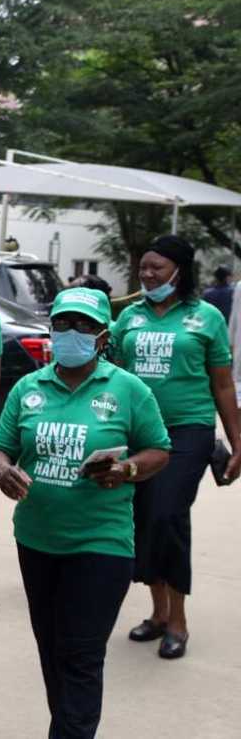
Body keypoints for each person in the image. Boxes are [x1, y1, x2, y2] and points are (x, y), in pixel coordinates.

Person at [0, 286, 171, 739]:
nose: (72, 332)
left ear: (103, 337)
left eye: (84, 325)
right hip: (36, 538)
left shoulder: (128, 390)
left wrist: (126, 469)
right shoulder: (29, 388)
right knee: (52, 649)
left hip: (101, 542)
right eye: (64, 323)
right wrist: (3, 471)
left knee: (81, 653)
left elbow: (159, 450)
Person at [110, 235, 241, 658]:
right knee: (145, 519)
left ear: (179, 271)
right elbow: (111, 372)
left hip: (188, 431)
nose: (147, 275)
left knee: (169, 515)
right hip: (139, 433)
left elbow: (222, 383)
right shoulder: (129, 317)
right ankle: (158, 612)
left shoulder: (206, 318)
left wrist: (238, 442)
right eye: (143, 267)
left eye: (157, 268)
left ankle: (179, 620)